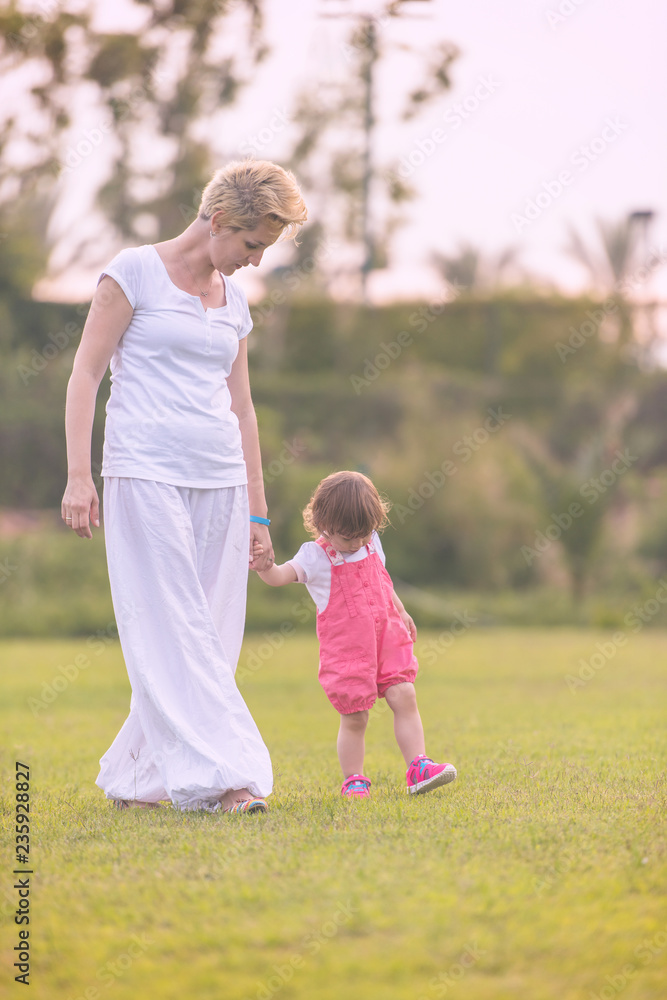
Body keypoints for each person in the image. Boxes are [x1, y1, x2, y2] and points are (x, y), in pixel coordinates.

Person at [61, 159, 307, 815]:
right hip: (143, 469)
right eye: (252, 244)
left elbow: (244, 409)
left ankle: (140, 781)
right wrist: (79, 476)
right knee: (174, 625)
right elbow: (85, 375)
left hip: (221, 479)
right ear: (221, 220)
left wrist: (259, 517)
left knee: (213, 633)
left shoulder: (236, 301)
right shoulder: (133, 273)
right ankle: (230, 780)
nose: (255, 261)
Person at [254, 471, 457, 798]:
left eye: (364, 534)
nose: (358, 543)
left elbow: (383, 581)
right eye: (349, 538)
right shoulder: (315, 557)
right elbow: (280, 576)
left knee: (404, 694)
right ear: (324, 526)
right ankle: (354, 780)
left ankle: (418, 766)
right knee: (356, 716)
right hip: (348, 649)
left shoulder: (371, 541)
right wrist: (265, 565)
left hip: (387, 636)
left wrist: (401, 610)